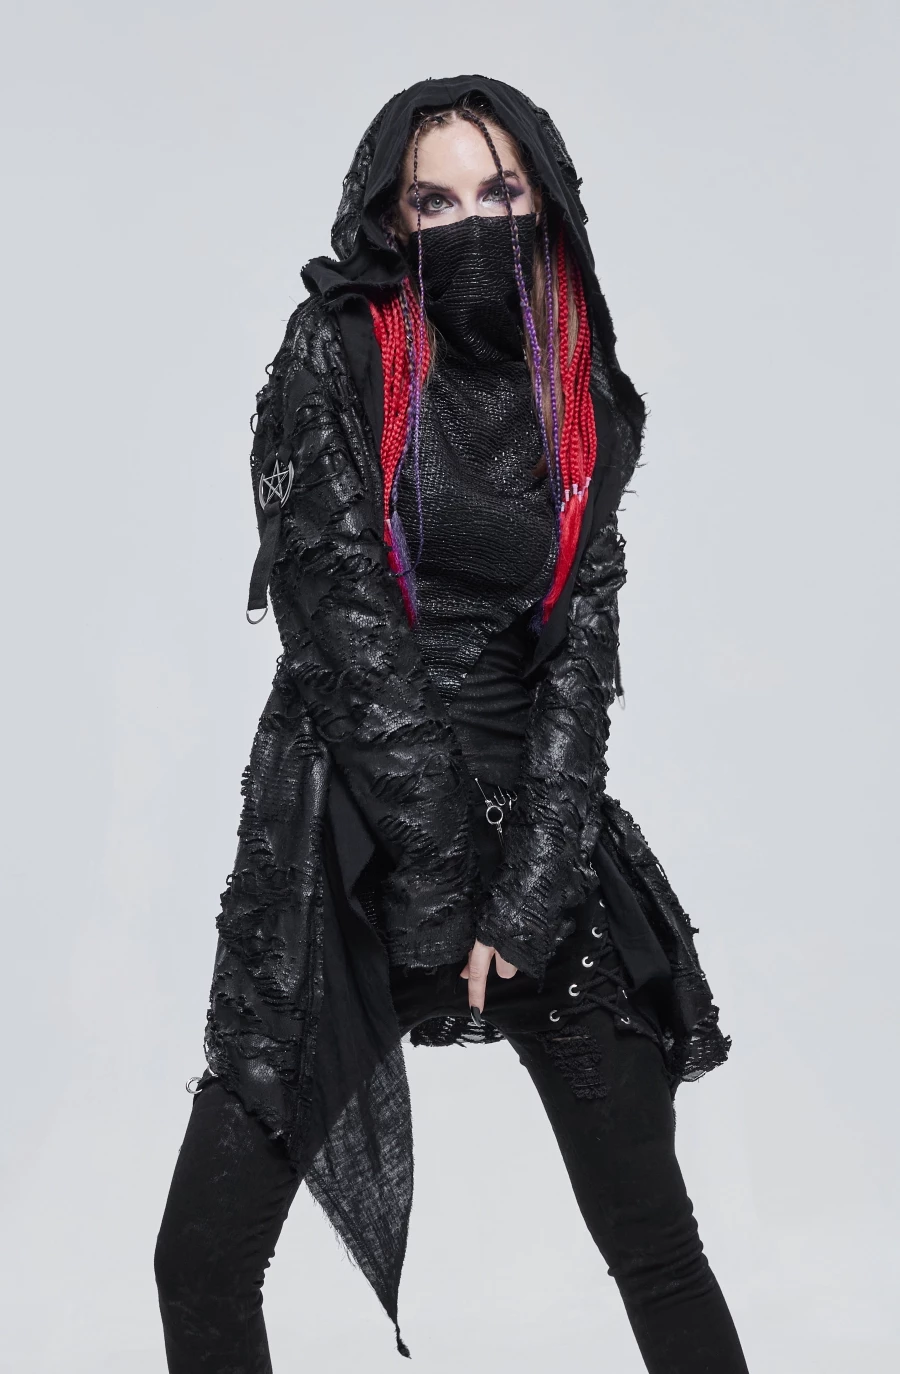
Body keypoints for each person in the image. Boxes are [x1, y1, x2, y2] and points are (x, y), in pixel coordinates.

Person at [154, 76, 749, 1374]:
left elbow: (579, 663)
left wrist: (527, 898)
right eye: (435, 201)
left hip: (539, 837)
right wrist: (434, 879)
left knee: (656, 1247)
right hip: (351, 845)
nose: (472, 223)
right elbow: (342, 623)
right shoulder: (336, 350)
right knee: (201, 1258)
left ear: (545, 203)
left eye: (500, 192)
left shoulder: (576, 381)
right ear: (390, 214)